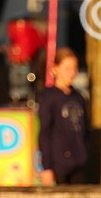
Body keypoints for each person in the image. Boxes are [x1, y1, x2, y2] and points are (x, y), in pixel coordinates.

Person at [37, 47, 88, 185]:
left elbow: (84, 130)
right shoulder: (49, 97)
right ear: (55, 69)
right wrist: (47, 166)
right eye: (67, 69)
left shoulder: (79, 98)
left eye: (74, 68)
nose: (72, 73)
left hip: (79, 162)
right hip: (59, 165)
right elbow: (45, 133)